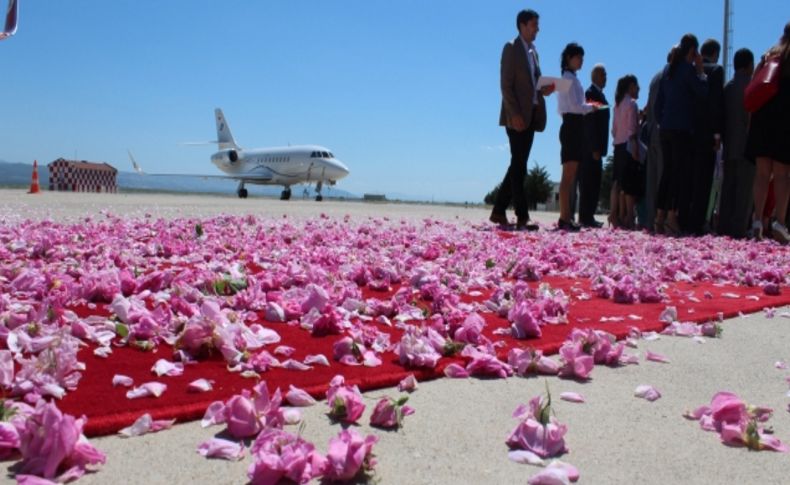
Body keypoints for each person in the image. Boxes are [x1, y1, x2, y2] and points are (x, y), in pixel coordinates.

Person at [492, 9, 555, 231]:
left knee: (517, 164)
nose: (537, 29)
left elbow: (533, 84)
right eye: (534, 25)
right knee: (520, 165)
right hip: (516, 116)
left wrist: (544, 89)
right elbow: (505, 85)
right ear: (522, 25)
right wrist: (515, 114)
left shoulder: (533, 52)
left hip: (531, 116)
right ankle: (522, 215)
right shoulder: (511, 48)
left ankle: (499, 210)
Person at [655, 34, 708, 236]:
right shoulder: (688, 70)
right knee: (677, 175)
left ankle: (658, 218)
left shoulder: (668, 69)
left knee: (667, 173)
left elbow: (658, 104)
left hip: (666, 129)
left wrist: (663, 121)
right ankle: (670, 218)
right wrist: (701, 72)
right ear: (693, 51)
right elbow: (702, 92)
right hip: (681, 129)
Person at [746, 22, 790, 244]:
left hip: (763, 119)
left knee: (762, 174)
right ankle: (780, 222)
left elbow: (755, 87)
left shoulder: (767, 56)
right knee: (782, 175)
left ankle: (756, 221)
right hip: (785, 120)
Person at [678, 39, 725, 235]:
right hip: (705, 132)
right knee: (703, 179)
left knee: (687, 177)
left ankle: (683, 219)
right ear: (715, 53)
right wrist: (717, 133)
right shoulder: (716, 70)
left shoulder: (688, 69)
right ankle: (696, 223)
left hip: (687, 130)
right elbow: (715, 104)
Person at [556, 42, 598, 231]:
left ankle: (566, 216)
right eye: (578, 57)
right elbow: (573, 106)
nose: (581, 61)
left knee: (571, 174)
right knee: (568, 174)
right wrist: (591, 107)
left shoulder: (571, 78)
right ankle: (564, 217)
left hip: (574, 124)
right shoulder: (567, 78)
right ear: (569, 58)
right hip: (572, 124)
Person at [718, 48, 755, 238]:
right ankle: (738, 229)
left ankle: (723, 226)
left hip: (729, 144)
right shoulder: (752, 85)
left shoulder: (728, 87)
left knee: (728, 189)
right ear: (749, 65)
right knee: (744, 191)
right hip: (747, 146)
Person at [578, 64, 609, 228]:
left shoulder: (601, 95)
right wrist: (595, 147)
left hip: (598, 147)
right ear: (595, 76)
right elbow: (590, 123)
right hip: (591, 148)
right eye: (603, 74)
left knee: (595, 182)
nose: (606, 77)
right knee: (588, 182)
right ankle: (585, 216)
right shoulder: (591, 93)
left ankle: (589, 215)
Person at [611, 75, 641, 229]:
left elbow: (614, 129)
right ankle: (629, 216)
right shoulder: (632, 104)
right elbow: (632, 129)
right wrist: (635, 147)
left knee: (617, 182)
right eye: (637, 86)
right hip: (628, 145)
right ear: (631, 86)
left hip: (617, 145)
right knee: (629, 185)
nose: (639, 89)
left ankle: (613, 215)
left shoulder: (617, 105)